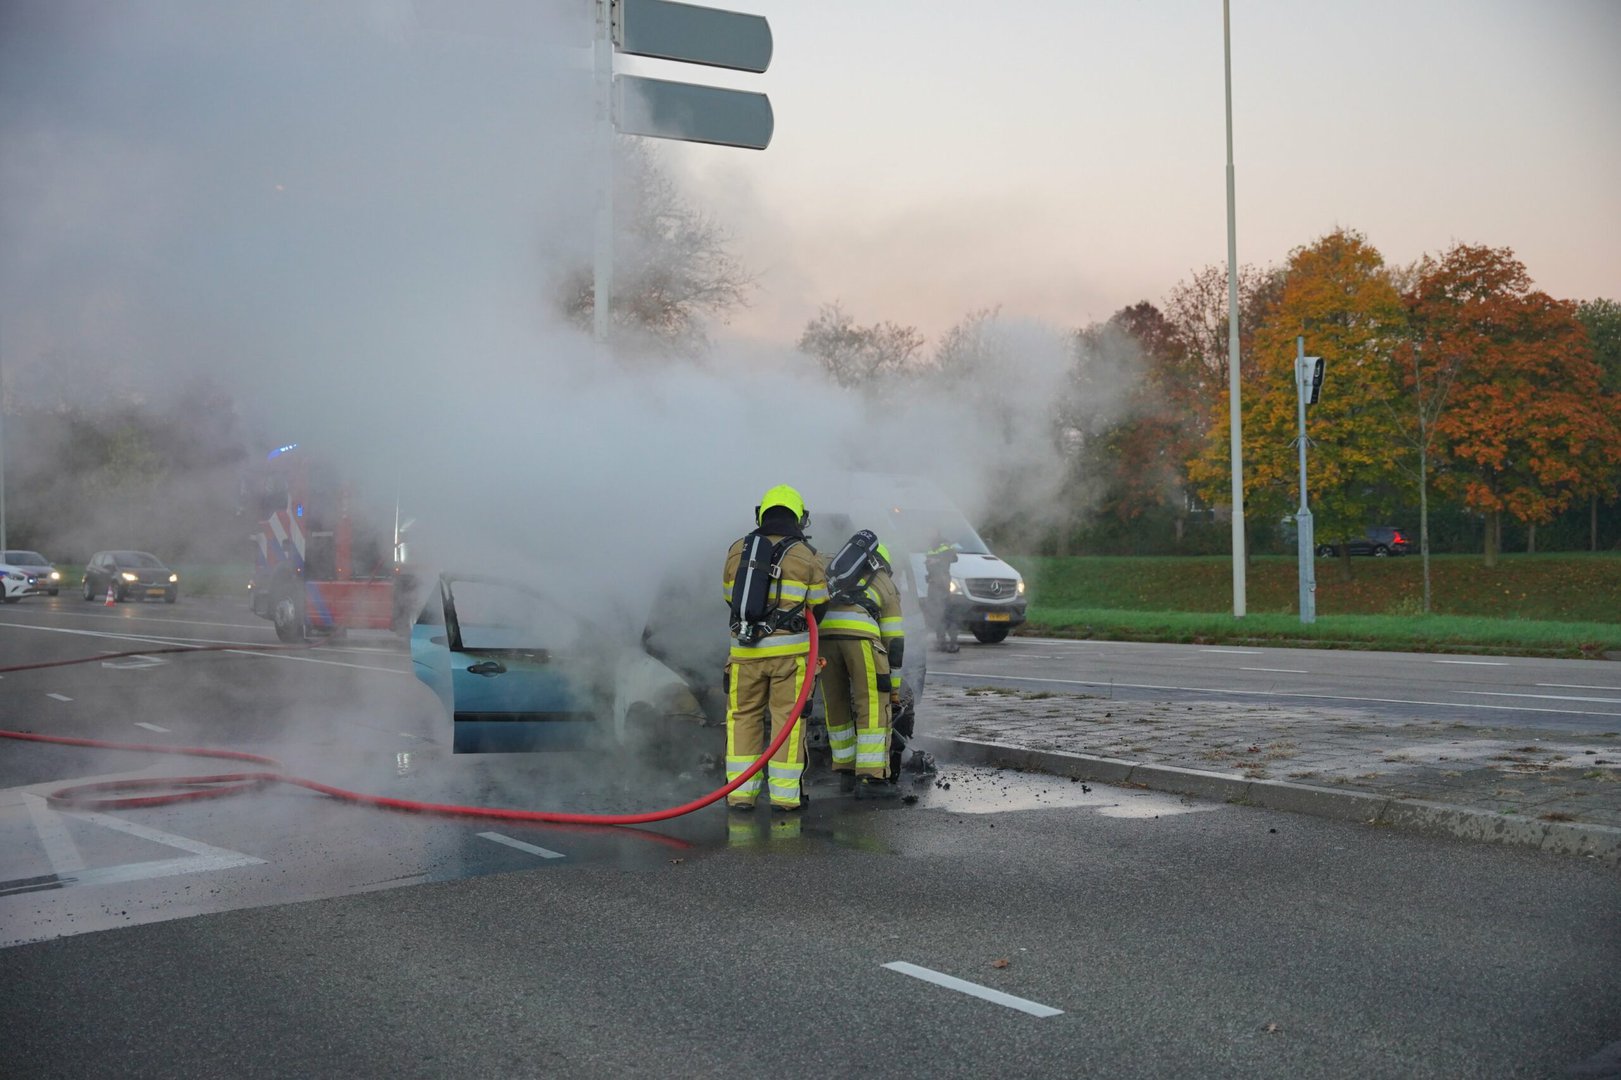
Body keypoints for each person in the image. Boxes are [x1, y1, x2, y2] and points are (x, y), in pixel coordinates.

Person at [721, 485, 829, 812]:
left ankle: (740, 794)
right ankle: (785, 797)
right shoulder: (808, 556)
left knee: (742, 718)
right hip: (789, 657)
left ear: (761, 513)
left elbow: (729, 597)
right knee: (788, 722)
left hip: (744, 653)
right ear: (799, 517)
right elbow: (819, 606)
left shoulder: (738, 549)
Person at [818, 539, 906, 799]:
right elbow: (895, 640)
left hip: (825, 640)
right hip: (861, 640)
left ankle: (846, 771)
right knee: (872, 703)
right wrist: (894, 689)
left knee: (836, 703)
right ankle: (871, 778)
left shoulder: (836, 574)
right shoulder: (884, 582)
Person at [924, 535, 960, 653]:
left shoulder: (944, 546)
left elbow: (953, 558)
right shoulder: (930, 547)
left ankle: (953, 642)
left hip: (942, 585)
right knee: (937, 614)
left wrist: (937, 560)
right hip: (933, 584)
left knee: (947, 613)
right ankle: (941, 642)